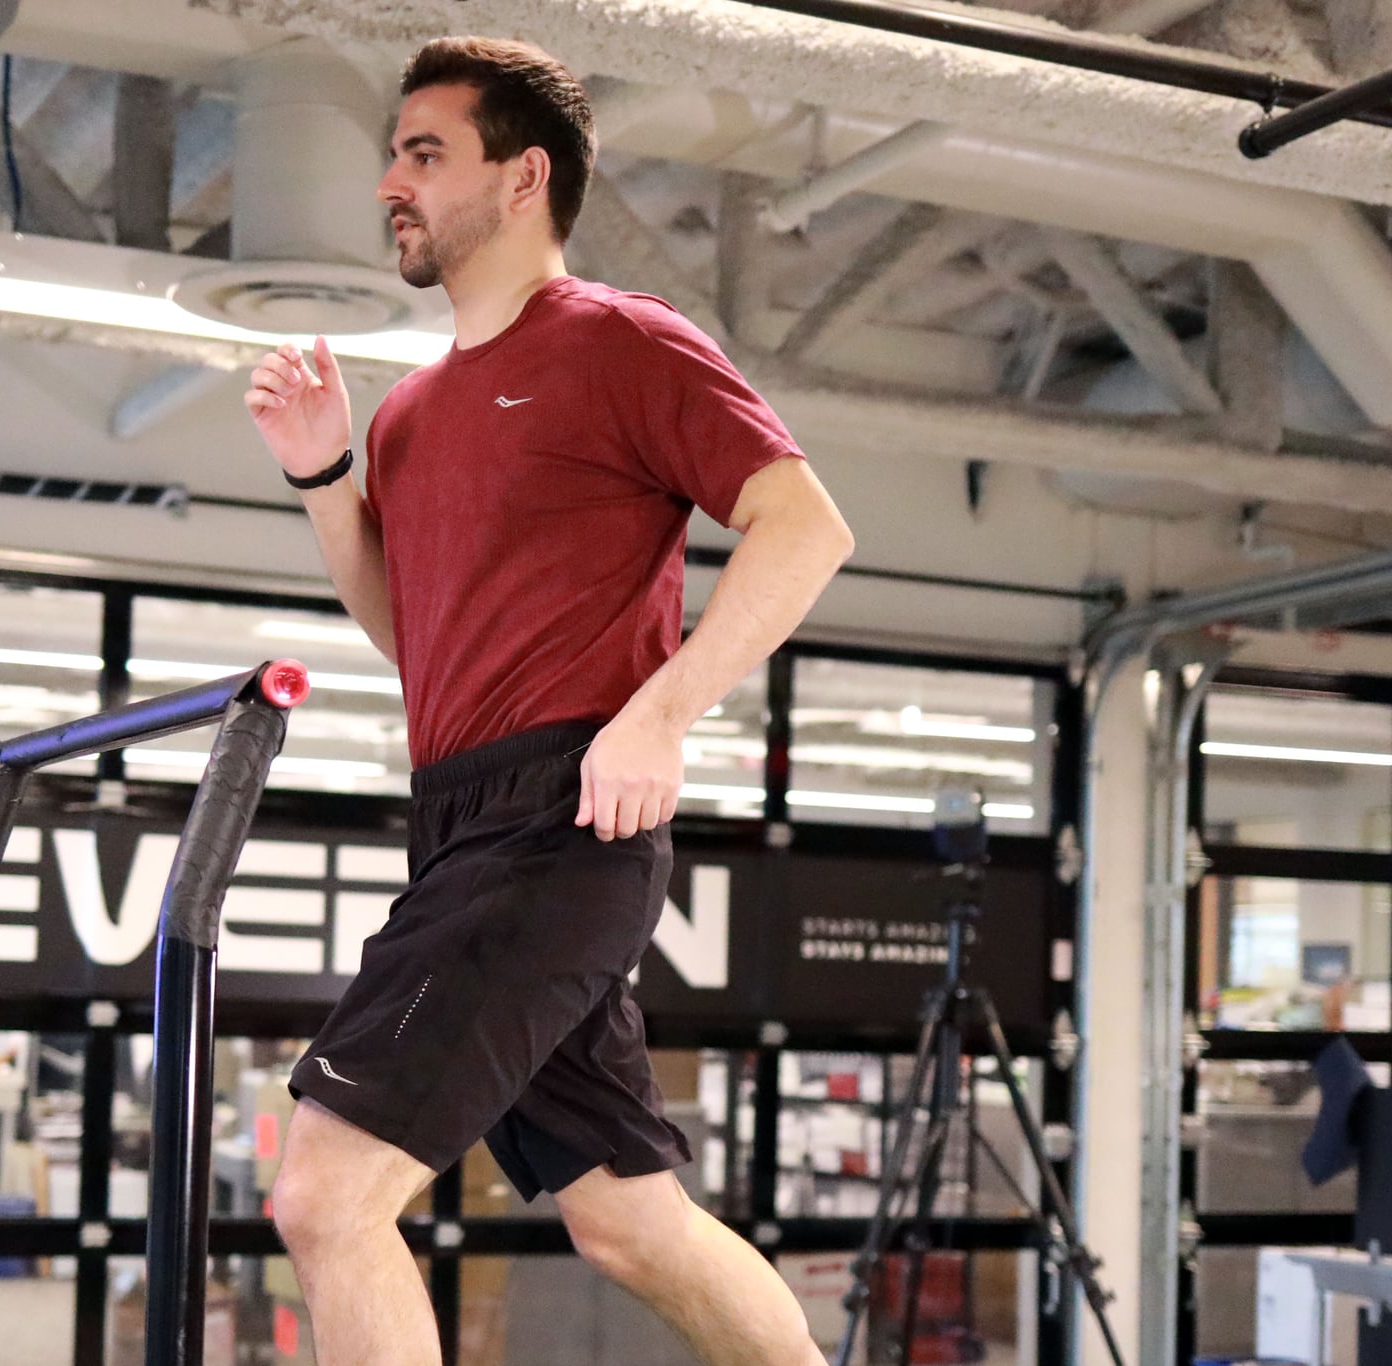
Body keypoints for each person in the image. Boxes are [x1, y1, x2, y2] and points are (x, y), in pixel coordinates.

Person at [243, 35, 854, 1366]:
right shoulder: (409, 415)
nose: (391, 183)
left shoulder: (621, 343)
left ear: (523, 178)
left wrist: (661, 714)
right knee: (628, 1220)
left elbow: (807, 527)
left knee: (326, 1199)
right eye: (393, 155)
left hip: (561, 820)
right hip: (460, 815)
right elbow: (418, 640)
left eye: (425, 154)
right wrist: (326, 479)